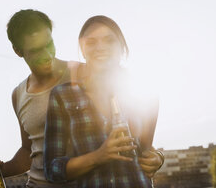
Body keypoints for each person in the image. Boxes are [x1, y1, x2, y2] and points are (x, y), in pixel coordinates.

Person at [0, 10, 163, 187]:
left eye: (49, 44)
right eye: (35, 50)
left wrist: (157, 158)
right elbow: (30, 151)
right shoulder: (22, 94)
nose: (47, 55)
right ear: (18, 51)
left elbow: (140, 142)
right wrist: (1, 169)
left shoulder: (85, 72)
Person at [43, 15, 162, 188]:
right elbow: (52, 170)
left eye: (109, 40)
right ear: (82, 50)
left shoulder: (145, 92)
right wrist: (99, 156)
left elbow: (146, 149)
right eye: (90, 42)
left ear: (122, 47)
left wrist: (157, 158)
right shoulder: (63, 95)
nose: (100, 47)